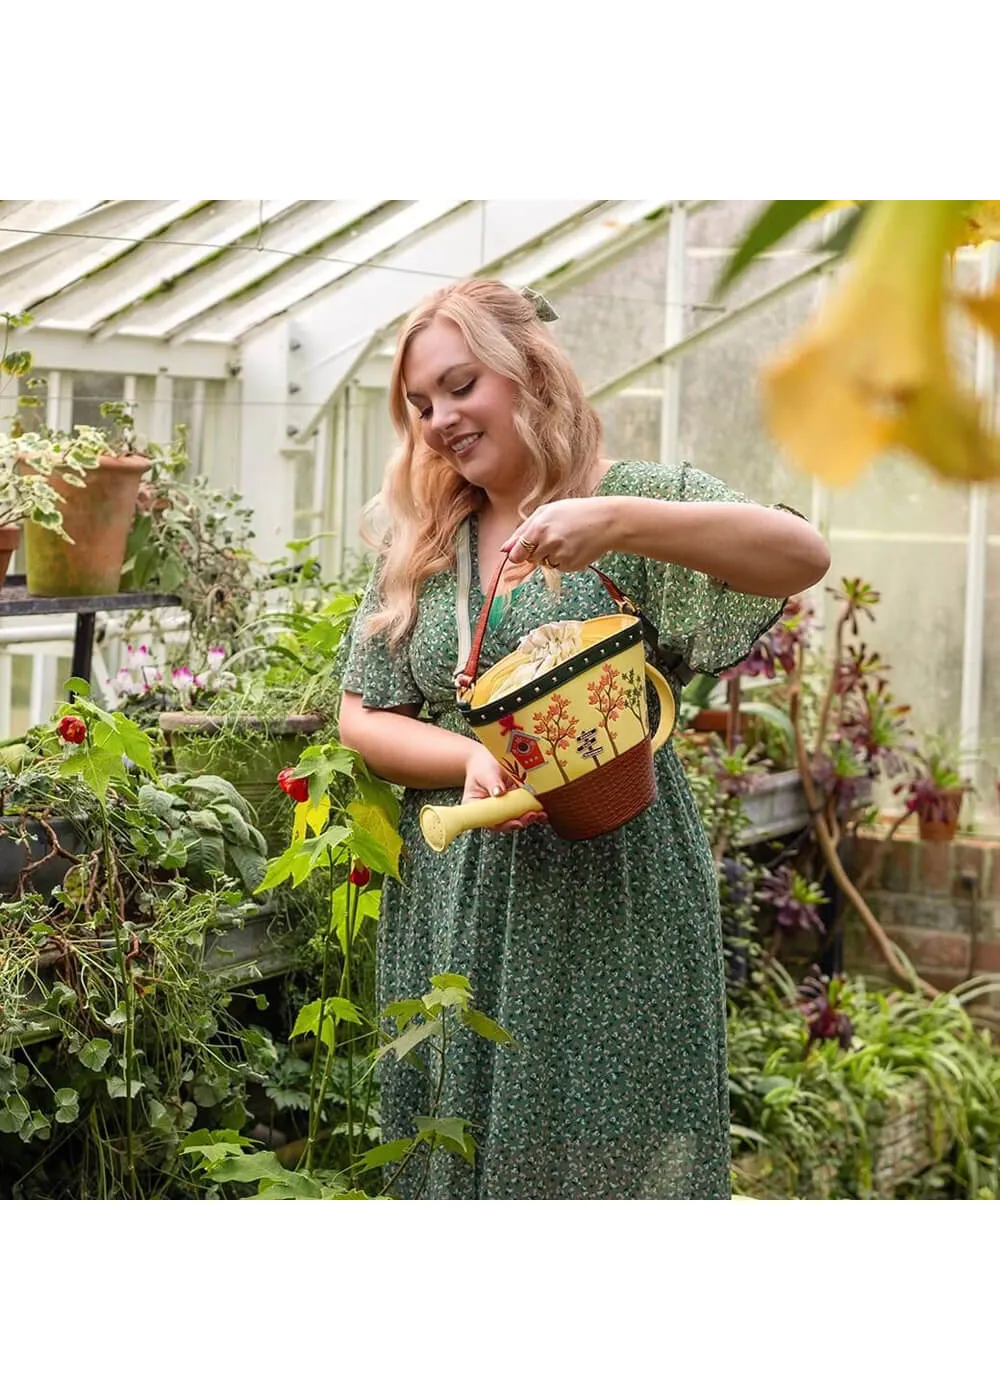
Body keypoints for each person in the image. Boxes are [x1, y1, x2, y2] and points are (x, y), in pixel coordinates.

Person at [338, 278, 830, 1199]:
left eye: (459, 385)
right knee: (461, 1144)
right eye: (419, 404)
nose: (439, 418)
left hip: (616, 887)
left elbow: (801, 555)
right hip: (461, 892)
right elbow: (362, 714)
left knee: (608, 1148)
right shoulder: (430, 543)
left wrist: (615, 523)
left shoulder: (631, 504)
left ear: (528, 371)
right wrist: (471, 757)